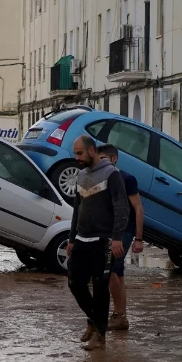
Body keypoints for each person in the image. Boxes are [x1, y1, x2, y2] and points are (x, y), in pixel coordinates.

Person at [66, 135, 129, 350]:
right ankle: (94, 320)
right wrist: (71, 238)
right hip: (82, 240)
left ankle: (100, 336)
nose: (77, 158)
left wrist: (117, 238)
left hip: (103, 242)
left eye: (80, 153)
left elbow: (122, 208)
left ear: (91, 150)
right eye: (75, 154)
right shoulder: (81, 175)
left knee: (101, 288)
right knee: (75, 283)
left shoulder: (112, 174)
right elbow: (77, 210)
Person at [97, 144, 144, 331]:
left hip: (125, 230)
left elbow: (138, 208)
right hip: (109, 231)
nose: (100, 163)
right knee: (118, 273)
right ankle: (122, 317)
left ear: (114, 158)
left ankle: (117, 314)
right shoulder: (100, 178)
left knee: (111, 271)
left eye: (104, 159)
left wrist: (138, 238)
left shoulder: (126, 178)